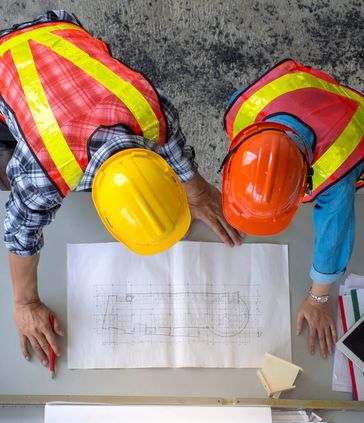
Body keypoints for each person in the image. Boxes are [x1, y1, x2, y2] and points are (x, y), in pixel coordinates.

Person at [0, 11, 241, 368]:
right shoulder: (43, 171)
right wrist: (25, 302)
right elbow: (20, 233)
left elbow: (172, 143)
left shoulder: (150, 109)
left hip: (58, 30)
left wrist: (198, 192)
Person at [221, 59, 364, 359]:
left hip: (351, 125)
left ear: (305, 187)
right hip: (312, 99)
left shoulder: (335, 173)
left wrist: (318, 299)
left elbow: (333, 237)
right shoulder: (244, 109)